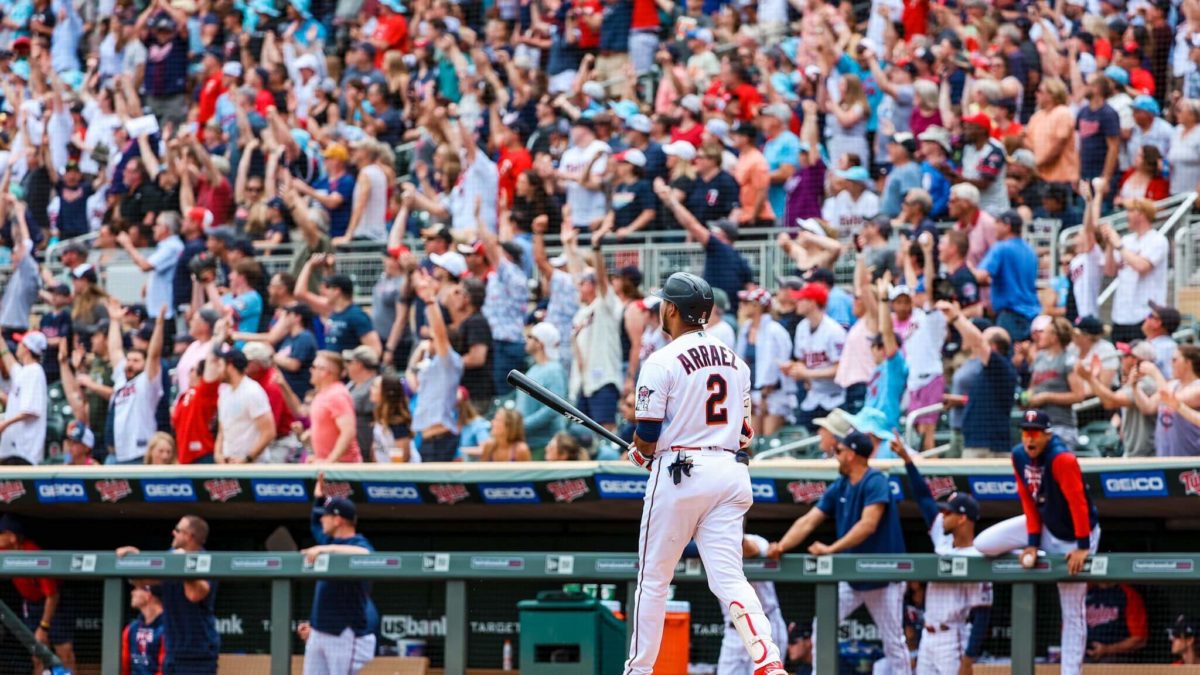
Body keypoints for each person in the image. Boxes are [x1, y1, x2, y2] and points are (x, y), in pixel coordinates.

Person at [623, 272, 787, 675]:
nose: (661, 308)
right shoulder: (736, 361)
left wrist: (641, 454)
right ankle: (768, 660)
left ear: (673, 310)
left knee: (654, 581)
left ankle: (638, 671)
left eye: (664, 303)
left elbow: (647, 434)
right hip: (730, 472)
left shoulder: (660, 360)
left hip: (682, 473)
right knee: (730, 579)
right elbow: (746, 434)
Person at [766, 430, 910, 675]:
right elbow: (809, 520)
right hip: (850, 577)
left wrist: (831, 549)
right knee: (821, 626)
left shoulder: (876, 481)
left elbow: (868, 524)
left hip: (883, 578)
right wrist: (781, 545)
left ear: (852, 454)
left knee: (893, 642)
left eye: (839, 451)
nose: (835, 456)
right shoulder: (841, 485)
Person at [974, 410, 1100, 675]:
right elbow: (1027, 500)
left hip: (1075, 534)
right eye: (1025, 432)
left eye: (1035, 433)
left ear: (1047, 434)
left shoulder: (1062, 458)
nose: (1029, 439)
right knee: (984, 543)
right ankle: (1036, 554)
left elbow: (1078, 505)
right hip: (1044, 525)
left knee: (1072, 610)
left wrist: (1082, 547)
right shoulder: (1019, 455)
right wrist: (1031, 542)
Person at [891, 441, 991, 675]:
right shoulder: (942, 539)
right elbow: (924, 499)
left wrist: (968, 659)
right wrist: (908, 461)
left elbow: (982, 615)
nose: (942, 515)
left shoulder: (979, 556)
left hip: (953, 637)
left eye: (948, 512)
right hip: (928, 637)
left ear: (962, 519)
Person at [116, 517, 219, 675]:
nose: (173, 533)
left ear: (189, 536)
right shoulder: (171, 556)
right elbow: (143, 581)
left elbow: (195, 595)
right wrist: (135, 558)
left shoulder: (205, 560)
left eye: (177, 530)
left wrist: (181, 564)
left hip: (199, 652)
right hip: (172, 651)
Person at [298, 473, 377, 675]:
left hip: (345, 632)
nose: (322, 519)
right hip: (319, 630)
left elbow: (366, 554)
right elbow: (315, 521)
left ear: (339, 520)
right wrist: (319, 497)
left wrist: (327, 550)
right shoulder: (327, 539)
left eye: (327, 515)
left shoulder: (356, 542)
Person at [938, 302, 1017, 457]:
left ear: (993, 348)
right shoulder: (987, 370)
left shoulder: (1001, 366)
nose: (978, 343)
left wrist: (956, 317)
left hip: (989, 447)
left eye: (984, 341)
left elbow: (978, 342)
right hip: (978, 443)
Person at [0, 515, 75, 672]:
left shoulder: (34, 553)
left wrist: (44, 626)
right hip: (31, 604)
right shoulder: (3, 549)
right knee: (37, 654)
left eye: (1, 533)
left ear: (12, 536)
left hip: (53, 604)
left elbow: (52, 595)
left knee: (64, 652)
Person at [408, 270, 465, 462]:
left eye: (431, 339)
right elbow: (412, 378)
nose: (428, 341)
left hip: (441, 440)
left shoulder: (450, 362)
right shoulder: (432, 366)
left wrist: (431, 301)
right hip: (425, 440)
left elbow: (440, 334)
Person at [715, 535, 788, 674]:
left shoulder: (755, 540)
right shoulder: (709, 543)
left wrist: (727, 533)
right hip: (733, 630)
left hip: (766, 625)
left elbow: (751, 550)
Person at [1099, 198, 1168, 344]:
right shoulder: (1127, 240)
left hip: (1144, 316)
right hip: (1120, 315)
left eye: (1130, 211)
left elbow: (1142, 266)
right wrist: (1110, 245)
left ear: (1142, 214)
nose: (1126, 215)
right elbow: (1109, 271)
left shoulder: (1157, 240)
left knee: (1141, 362)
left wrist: (1118, 244)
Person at [106, 299, 166, 464]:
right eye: (129, 360)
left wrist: (159, 326)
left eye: (136, 361)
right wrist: (114, 320)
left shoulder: (147, 382)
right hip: (117, 454)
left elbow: (154, 355)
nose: (130, 364)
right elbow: (115, 349)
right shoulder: (121, 378)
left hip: (140, 453)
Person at [786, 283, 847, 432]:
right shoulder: (802, 327)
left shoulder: (834, 330)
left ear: (812, 302)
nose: (797, 302)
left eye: (801, 299)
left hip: (834, 399)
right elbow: (802, 360)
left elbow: (840, 369)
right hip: (812, 397)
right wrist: (794, 368)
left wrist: (807, 374)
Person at [737, 288, 796, 438]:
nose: (741, 305)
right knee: (752, 441)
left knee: (768, 441)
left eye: (746, 302)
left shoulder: (775, 330)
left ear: (758, 305)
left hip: (774, 394)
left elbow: (780, 363)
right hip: (752, 394)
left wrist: (765, 395)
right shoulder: (746, 329)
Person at [975, 211, 1040, 342]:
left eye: (997, 224)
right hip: (1032, 315)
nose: (994, 229)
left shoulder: (1001, 248)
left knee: (1006, 358)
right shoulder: (1030, 250)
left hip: (1010, 317)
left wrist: (967, 272)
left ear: (1007, 226)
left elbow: (980, 276)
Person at [212, 345, 276, 463]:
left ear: (230, 367)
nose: (217, 371)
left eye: (220, 365)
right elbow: (222, 430)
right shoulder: (224, 394)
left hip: (253, 467)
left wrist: (247, 458)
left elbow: (269, 432)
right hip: (230, 464)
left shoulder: (252, 391)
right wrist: (218, 454)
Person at [516, 322, 569, 457]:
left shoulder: (554, 370)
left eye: (530, 337)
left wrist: (523, 425)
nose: (526, 340)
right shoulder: (533, 369)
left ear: (540, 343)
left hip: (545, 445)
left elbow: (554, 408)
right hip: (529, 442)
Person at [1139, 346, 1200, 457]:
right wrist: (1134, 387)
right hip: (1164, 454)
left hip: (1189, 457)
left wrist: (1155, 373)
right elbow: (1148, 407)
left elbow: (1171, 400)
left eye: (1175, 360)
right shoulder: (1172, 385)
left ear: (1188, 363)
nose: (1171, 364)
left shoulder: (1197, 387)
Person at [0, 332, 48, 465]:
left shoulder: (34, 371)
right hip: (15, 451)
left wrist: (4, 424)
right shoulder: (25, 371)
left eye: (20, 343)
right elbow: (9, 361)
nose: (17, 346)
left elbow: (30, 411)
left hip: (24, 452)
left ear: (26, 348)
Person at [308, 351, 363, 463]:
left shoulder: (337, 395)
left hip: (342, 467)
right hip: (328, 466)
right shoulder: (322, 393)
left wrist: (330, 461)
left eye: (314, 367)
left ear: (325, 372)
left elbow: (348, 432)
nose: (310, 370)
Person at [1084, 583, 1148, 663]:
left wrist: (1108, 649)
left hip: (1115, 657)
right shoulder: (1083, 593)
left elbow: (1140, 639)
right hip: (1082, 654)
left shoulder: (1127, 594)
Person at [343, 345, 380, 461]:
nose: (347, 366)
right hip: (350, 445)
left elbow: (378, 417)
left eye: (350, 362)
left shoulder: (376, 386)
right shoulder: (350, 385)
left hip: (366, 443)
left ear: (359, 365)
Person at [122, 582, 166, 675]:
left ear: (148, 594)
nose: (132, 593)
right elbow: (123, 666)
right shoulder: (131, 629)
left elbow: (165, 670)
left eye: (136, 589)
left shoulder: (168, 629)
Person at [370, 374, 414, 463]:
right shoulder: (380, 416)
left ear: (386, 392)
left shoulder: (397, 421)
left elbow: (404, 456)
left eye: (375, 386)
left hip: (401, 474)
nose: (371, 389)